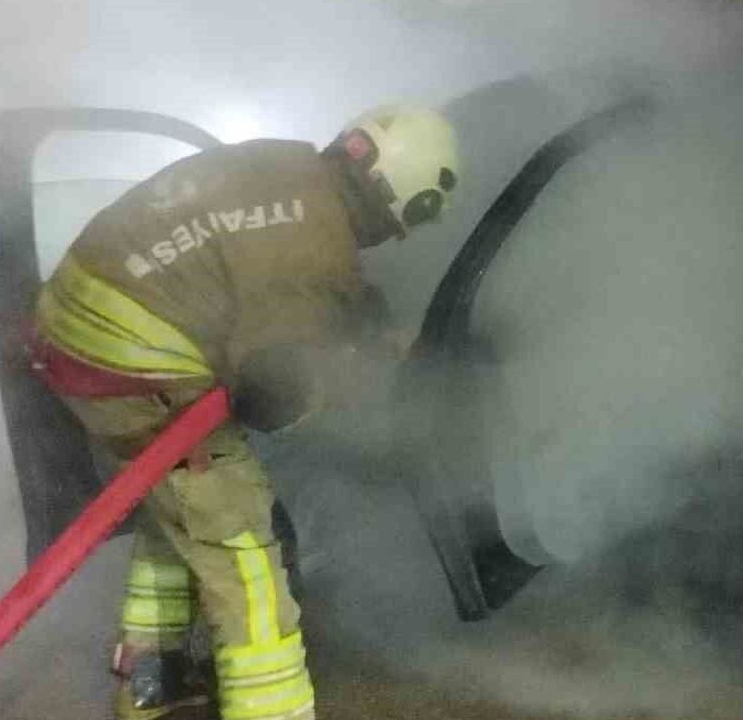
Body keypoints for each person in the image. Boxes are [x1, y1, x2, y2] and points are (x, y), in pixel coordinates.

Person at [27, 106, 460, 720]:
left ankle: (150, 680)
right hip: (134, 364)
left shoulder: (284, 164)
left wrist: (355, 315)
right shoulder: (319, 244)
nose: (388, 239)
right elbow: (269, 397)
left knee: (177, 510)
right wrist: (343, 376)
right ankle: (272, 708)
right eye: (399, 226)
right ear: (405, 197)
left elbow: (260, 257)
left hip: (70, 328)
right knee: (241, 547)